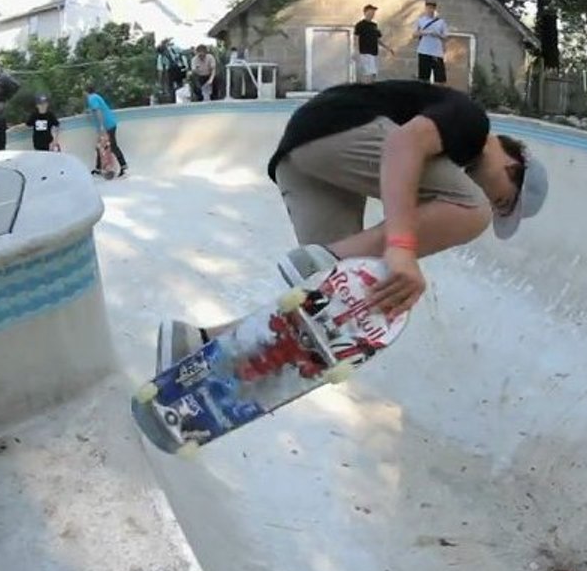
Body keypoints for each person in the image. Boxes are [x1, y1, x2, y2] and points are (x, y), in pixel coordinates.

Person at [162, 79, 549, 361]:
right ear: (512, 167)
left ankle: (203, 343)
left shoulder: (448, 161)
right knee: (472, 212)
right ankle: (330, 258)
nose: (487, 195)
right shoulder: (472, 124)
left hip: (299, 154)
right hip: (341, 126)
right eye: (501, 197)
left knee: (331, 304)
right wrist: (400, 249)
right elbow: (404, 143)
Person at [85, 85, 128, 177]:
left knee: (113, 146)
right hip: (109, 124)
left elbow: (98, 112)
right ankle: (98, 169)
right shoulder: (96, 97)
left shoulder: (91, 98)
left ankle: (123, 167)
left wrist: (101, 127)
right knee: (100, 147)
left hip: (107, 126)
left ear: (85, 92)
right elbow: (96, 110)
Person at [354, 4, 395, 83]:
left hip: (374, 53)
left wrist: (388, 48)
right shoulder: (360, 25)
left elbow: (377, 39)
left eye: (373, 12)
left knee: (373, 73)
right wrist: (356, 52)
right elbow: (356, 39)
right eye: (370, 12)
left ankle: (369, 90)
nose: (372, 14)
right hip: (365, 52)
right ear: (365, 12)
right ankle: (366, 91)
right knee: (368, 73)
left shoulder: (374, 25)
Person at [414, 1, 448, 85]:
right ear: (425, 9)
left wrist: (437, 34)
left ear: (434, 9)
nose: (430, 10)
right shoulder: (420, 20)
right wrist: (424, 32)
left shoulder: (441, 22)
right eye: (428, 8)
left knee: (440, 77)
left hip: (436, 52)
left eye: (432, 8)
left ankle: (439, 94)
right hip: (424, 51)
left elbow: (445, 36)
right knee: (423, 77)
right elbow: (414, 34)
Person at [156, 38, 186, 103]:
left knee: (181, 85)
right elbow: (160, 70)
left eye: (164, 51)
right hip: (170, 70)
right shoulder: (161, 57)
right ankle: (173, 99)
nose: (164, 53)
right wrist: (160, 82)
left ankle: (180, 97)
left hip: (179, 68)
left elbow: (183, 55)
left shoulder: (174, 49)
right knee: (170, 86)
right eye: (162, 52)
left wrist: (186, 68)